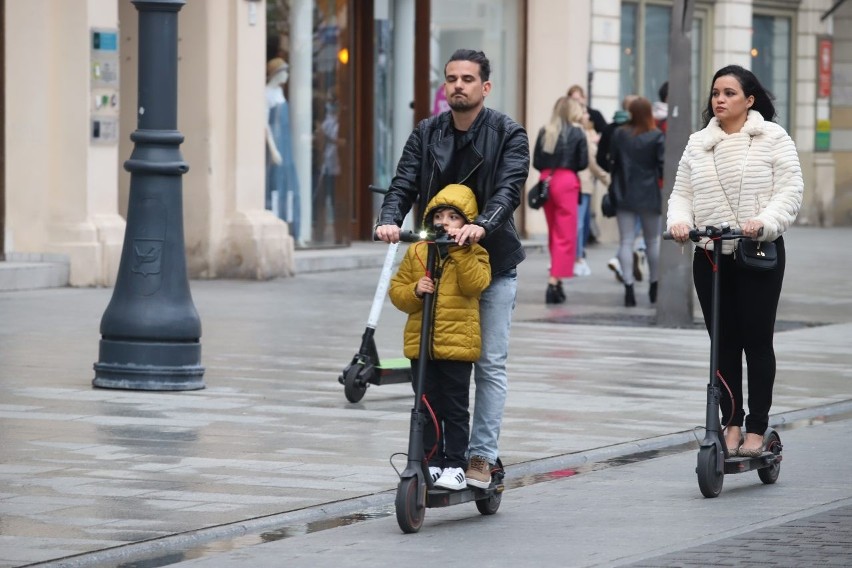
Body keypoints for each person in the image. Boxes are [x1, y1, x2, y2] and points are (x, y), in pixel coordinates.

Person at [375, 49, 529, 489]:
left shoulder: (507, 133)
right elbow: (404, 181)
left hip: (491, 263)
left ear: (485, 87)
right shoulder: (427, 132)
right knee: (435, 363)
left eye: (467, 78)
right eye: (451, 78)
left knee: (489, 364)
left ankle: (480, 457)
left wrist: (482, 225)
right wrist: (389, 219)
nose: (458, 85)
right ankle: (437, 453)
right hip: (437, 263)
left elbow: (509, 186)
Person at [667, 65, 803, 457]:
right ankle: (731, 422)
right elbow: (682, 194)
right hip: (710, 256)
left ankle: (757, 427)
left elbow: (791, 190)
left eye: (728, 93)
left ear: (750, 100)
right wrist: (679, 222)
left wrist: (764, 222)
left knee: (756, 342)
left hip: (757, 252)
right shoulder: (697, 143)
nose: (719, 100)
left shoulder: (773, 138)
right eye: (715, 93)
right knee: (721, 344)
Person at [388, 184, 491, 490]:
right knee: (426, 405)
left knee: (455, 408)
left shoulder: (475, 253)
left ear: (467, 223)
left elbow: (476, 285)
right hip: (422, 347)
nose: (444, 223)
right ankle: (432, 460)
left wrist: (461, 251)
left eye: (453, 217)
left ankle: (456, 463)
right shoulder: (419, 251)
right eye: (439, 216)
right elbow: (397, 292)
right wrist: (415, 291)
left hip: (457, 347)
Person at [608, 96, 664, 307]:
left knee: (626, 241)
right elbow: (661, 165)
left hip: (624, 191)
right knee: (652, 241)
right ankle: (654, 285)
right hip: (649, 192)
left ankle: (629, 288)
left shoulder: (620, 134)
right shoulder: (656, 135)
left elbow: (611, 160)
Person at [532, 96, 588, 302]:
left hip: (546, 179)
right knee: (565, 234)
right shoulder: (577, 132)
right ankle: (554, 281)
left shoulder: (546, 130)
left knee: (554, 231)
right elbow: (582, 162)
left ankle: (557, 281)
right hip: (566, 181)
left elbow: (537, 160)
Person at [597, 95, 646, 284]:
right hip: (642, 187)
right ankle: (625, 258)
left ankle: (626, 273)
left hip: (619, 185)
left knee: (627, 234)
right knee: (642, 232)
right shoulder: (644, 129)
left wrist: (613, 171)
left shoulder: (611, 129)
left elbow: (602, 156)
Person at [265, 58, 300, 240]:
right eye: (284, 71)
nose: (287, 75)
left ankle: (291, 228)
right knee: (276, 187)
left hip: (285, 145)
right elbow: (265, 125)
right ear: (277, 73)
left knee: (288, 187)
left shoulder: (280, 92)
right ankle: (277, 224)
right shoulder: (267, 94)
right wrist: (273, 150)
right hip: (276, 145)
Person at [575, 107, 611, 277]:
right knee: (579, 224)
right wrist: (607, 180)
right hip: (582, 183)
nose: (588, 115)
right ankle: (578, 258)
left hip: (575, 182)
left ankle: (573, 257)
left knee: (575, 223)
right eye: (583, 112)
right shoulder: (582, 133)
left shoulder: (581, 131)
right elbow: (592, 161)